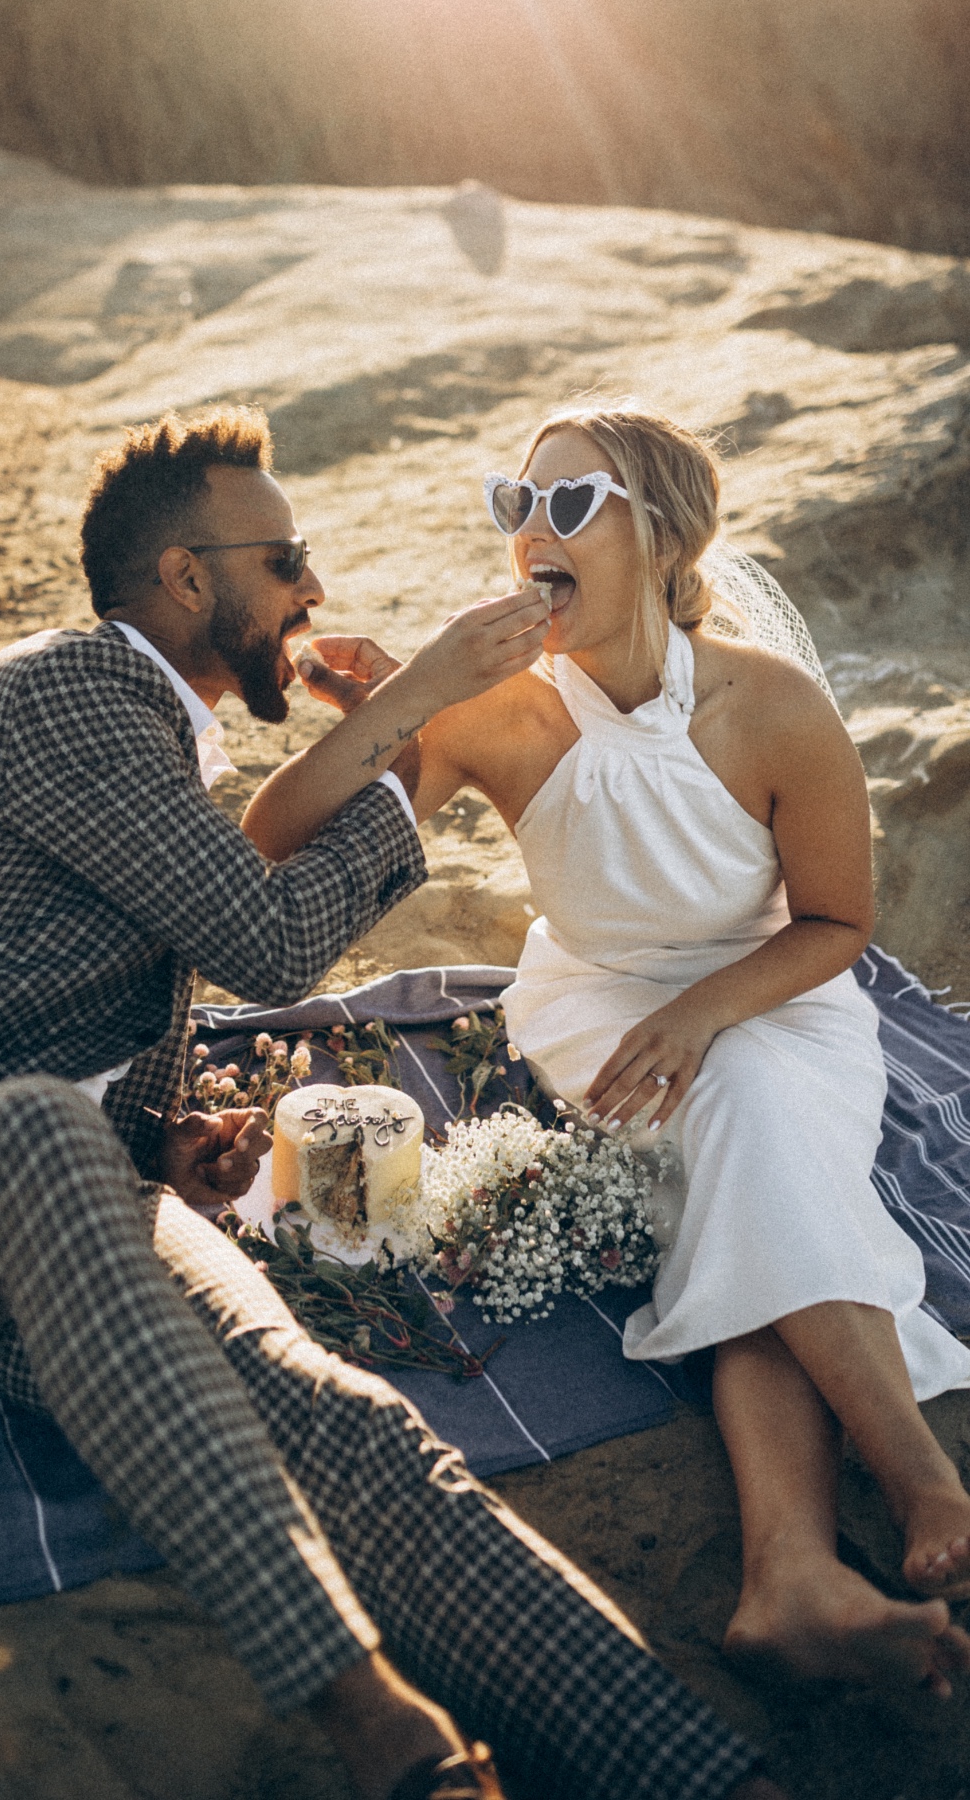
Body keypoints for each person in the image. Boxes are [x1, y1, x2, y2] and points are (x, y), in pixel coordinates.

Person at [0, 405, 780, 1800]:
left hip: (61, 1205)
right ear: (189, 579)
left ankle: (698, 1776)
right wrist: (417, 708)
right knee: (36, 1130)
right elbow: (263, 940)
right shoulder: (66, 687)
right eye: (287, 556)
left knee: (341, 1426)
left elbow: (121, 982)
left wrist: (158, 1136)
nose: (311, 588)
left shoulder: (162, 741)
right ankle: (381, 1726)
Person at [244, 401, 970, 1703]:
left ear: (670, 536)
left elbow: (839, 924)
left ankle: (796, 1571)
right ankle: (907, 1480)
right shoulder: (493, 712)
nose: (533, 532)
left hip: (778, 996)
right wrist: (416, 691)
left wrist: (707, 1011)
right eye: (514, 504)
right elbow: (275, 833)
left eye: (571, 506)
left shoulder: (774, 707)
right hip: (592, 1006)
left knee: (739, 1132)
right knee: (740, 1147)